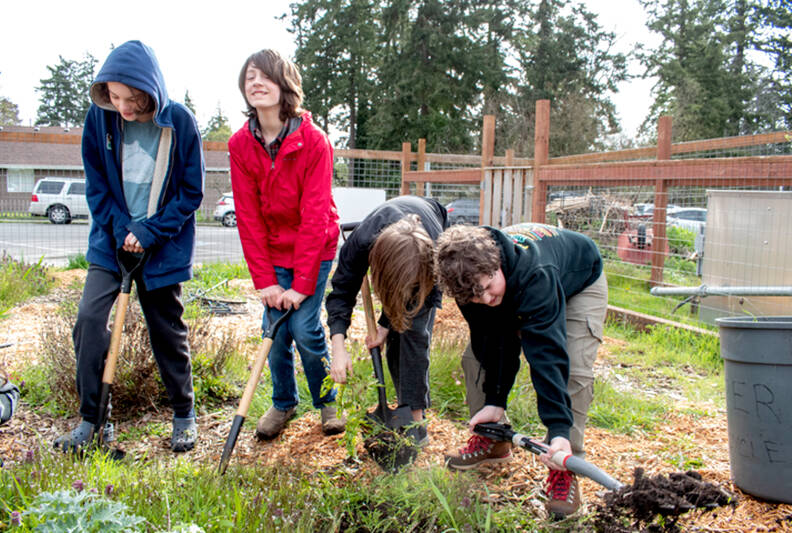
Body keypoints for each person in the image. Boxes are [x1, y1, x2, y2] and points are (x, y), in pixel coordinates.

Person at [53, 40, 204, 453]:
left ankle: (183, 415)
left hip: (163, 245)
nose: (121, 105)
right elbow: (97, 186)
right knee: (88, 320)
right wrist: (123, 230)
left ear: (149, 89)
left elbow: (191, 193)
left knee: (166, 330)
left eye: (129, 97)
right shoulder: (99, 119)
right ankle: (93, 421)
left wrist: (151, 231)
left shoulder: (181, 123)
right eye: (113, 96)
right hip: (111, 240)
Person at [435, 222, 608, 518]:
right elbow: (493, 339)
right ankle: (494, 438)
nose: (487, 300)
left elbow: (546, 354)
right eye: (477, 297)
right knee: (475, 358)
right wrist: (495, 401)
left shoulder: (535, 274)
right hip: (521, 282)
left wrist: (557, 428)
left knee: (574, 372)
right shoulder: (471, 285)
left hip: (579, 281)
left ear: (496, 264)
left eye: (489, 288)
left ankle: (565, 460)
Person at [229, 49, 344, 439]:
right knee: (275, 332)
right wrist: (267, 282)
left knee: (306, 328)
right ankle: (284, 403)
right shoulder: (240, 145)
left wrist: (300, 286)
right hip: (274, 252)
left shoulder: (314, 141)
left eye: (265, 77)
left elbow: (314, 216)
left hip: (315, 247)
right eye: (249, 78)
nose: (256, 83)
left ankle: (327, 401)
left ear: (285, 85)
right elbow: (248, 217)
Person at [326, 196, 448, 445]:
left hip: (431, 227)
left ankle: (414, 416)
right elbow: (341, 295)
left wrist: (385, 325)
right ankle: (406, 405)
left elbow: (416, 334)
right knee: (395, 341)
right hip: (384, 245)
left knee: (412, 333)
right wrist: (339, 348)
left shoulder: (436, 255)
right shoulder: (359, 245)